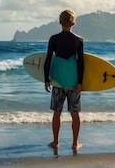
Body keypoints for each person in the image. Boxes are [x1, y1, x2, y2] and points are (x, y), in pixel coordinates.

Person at [43, 9, 85, 151]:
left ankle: (56, 142)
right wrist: (80, 82)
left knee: (57, 112)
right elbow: (81, 63)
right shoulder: (79, 40)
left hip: (58, 80)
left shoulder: (53, 39)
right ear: (74, 22)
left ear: (60, 22)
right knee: (75, 113)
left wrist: (46, 79)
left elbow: (48, 59)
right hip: (73, 81)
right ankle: (75, 143)